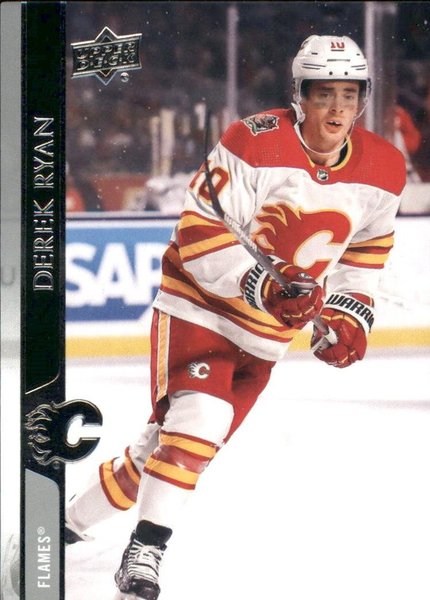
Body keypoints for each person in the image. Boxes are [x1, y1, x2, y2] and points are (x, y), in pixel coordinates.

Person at [65, 35, 406, 600]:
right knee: (200, 421)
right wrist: (260, 283)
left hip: (268, 338)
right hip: (200, 308)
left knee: (165, 452)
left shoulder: (384, 167)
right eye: (324, 94)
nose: (338, 108)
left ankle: (65, 525)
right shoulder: (255, 141)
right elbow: (198, 233)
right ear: (300, 96)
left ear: (363, 98)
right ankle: (145, 554)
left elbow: (366, 253)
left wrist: (349, 315)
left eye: (349, 94)